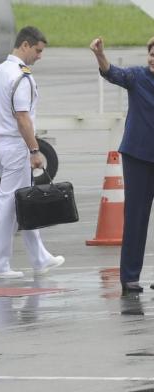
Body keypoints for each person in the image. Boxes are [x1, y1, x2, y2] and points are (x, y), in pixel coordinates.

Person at [0, 26, 65, 279]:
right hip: (16, 146)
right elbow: (22, 118)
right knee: (9, 205)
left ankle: (40, 257)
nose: (39, 56)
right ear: (26, 45)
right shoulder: (21, 77)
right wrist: (35, 150)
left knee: (22, 202)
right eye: (38, 51)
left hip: (1, 144)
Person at [90, 36, 154, 294]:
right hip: (138, 157)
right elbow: (111, 73)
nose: (152, 58)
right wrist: (99, 54)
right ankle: (129, 277)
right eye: (151, 53)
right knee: (136, 217)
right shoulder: (137, 77)